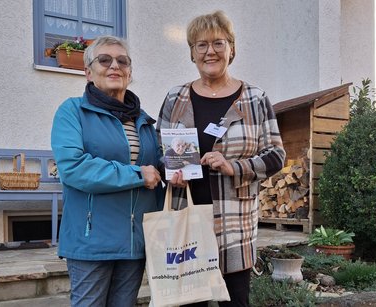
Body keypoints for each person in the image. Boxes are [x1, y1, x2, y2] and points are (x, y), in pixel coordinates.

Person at [156, 11, 286, 307]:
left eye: (218, 43)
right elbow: (158, 146)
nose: (209, 51)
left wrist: (234, 166)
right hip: (186, 221)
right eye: (201, 45)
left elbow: (277, 155)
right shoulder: (176, 98)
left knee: (236, 301)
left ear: (232, 49)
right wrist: (168, 170)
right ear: (192, 53)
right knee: (190, 303)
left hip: (234, 225)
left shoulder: (254, 98)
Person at [51, 36, 163, 307]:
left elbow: (158, 168)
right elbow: (73, 167)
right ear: (88, 72)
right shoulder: (72, 111)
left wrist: (184, 168)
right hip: (92, 244)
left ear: (130, 72)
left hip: (135, 243)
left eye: (122, 61)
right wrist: (137, 174)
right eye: (105, 60)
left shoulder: (145, 121)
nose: (115, 66)